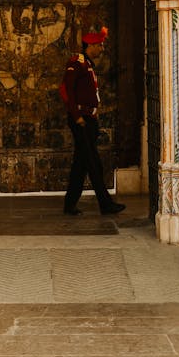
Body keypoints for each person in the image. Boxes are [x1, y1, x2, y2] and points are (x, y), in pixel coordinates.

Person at [61, 28, 125, 216]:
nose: (101, 49)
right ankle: (105, 204)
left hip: (89, 119)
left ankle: (70, 204)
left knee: (81, 164)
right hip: (81, 120)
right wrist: (76, 116)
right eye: (99, 45)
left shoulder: (87, 64)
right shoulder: (77, 63)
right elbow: (68, 91)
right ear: (90, 46)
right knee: (93, 163)